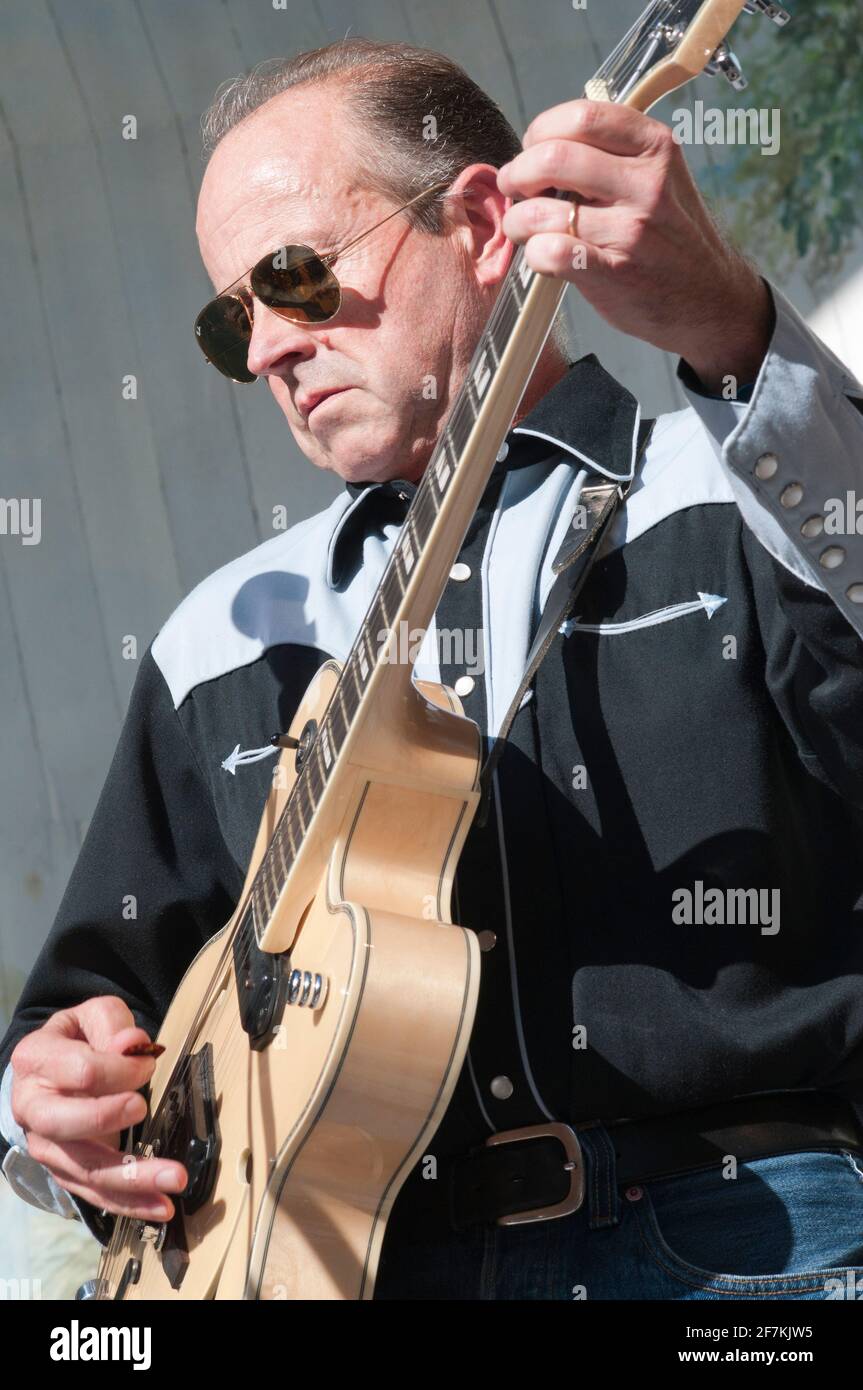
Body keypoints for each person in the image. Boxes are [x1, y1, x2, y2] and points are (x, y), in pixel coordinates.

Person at [2, 39, 863, 1301]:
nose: (261, 355)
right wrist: (50, 1101)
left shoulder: (740, 484)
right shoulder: (221, 635)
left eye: (293, 280)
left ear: (477, 222)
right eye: (228, 316)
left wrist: (731, 331)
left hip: (740, 1244)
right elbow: (86, 1005)